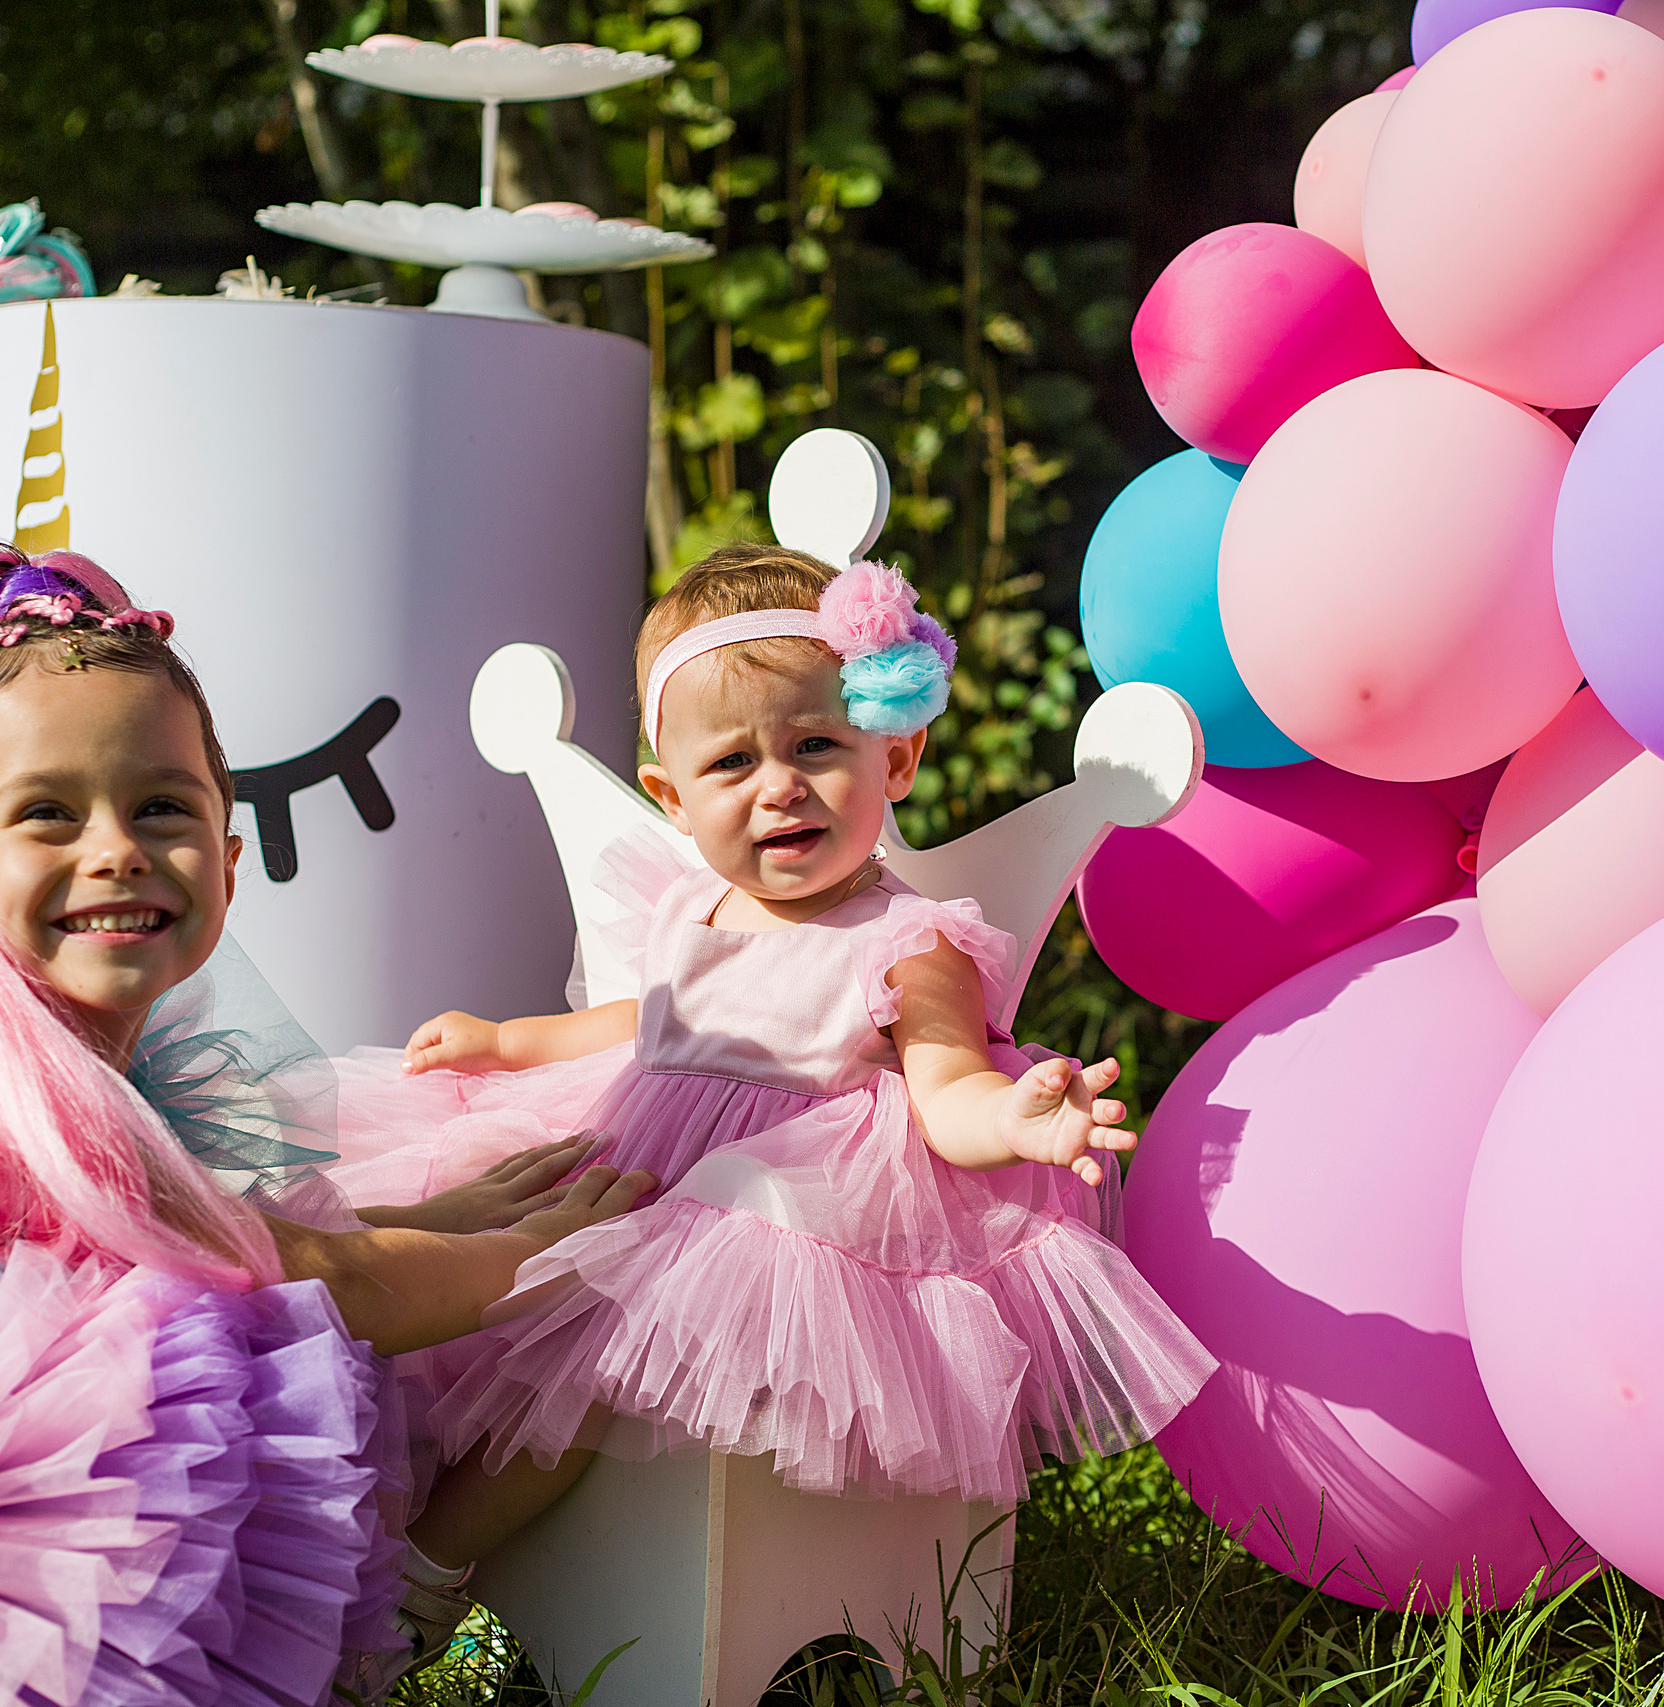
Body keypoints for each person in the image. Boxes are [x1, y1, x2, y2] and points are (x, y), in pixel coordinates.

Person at [0, 542, 654, 1704]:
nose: (114, 848)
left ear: (228, 855)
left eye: (159, 806)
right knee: (219, 1336)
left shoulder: (54, 1056)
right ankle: (398, 1611)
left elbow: (209, 1223)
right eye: (47, 815)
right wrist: (527, 1258)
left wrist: (432, 1216)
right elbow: (302, 1271)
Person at [329, 544, 1216, 1630]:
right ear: (673, 796)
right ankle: (395, 1539)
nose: (779, 786)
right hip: (631, 1166)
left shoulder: (905, 941)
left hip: (777, 1217)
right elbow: (650, 1029)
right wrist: (508, 1044)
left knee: (571, 1376)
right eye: (732, 766)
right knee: (458, 1274)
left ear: (892, 760)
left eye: (815, 746)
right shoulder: (688, 909)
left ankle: (419, 1591)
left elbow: (944, 1087)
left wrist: (1013, 1119)